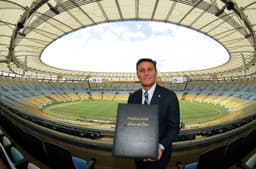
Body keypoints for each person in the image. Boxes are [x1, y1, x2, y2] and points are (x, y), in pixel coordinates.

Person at [128, 58, 180, 169]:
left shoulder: (170, 96)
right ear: (138, 75)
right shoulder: (133, 97)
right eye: (142, 71)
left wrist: (160, 147)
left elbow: (174, 128)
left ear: (155, 72)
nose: (146, 73)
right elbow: (132, 126)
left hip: (160, 157)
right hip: (138, 154)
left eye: (150, 69)